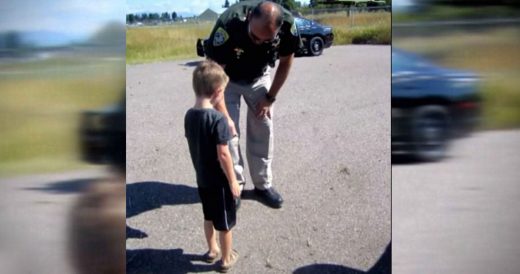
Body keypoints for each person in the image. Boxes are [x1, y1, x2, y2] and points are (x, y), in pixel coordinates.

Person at [204, 0, 301, 208]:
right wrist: (225, 117)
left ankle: (263, 186)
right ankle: (234, 186)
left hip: (259, 77)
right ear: (249, 18)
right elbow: (214, 75)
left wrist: (270, 97)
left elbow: (286, 61)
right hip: (226, 79)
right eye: (254, 36)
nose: (258, 42)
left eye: (266, 40)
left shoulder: (288, 25)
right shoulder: (229, 23)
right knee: (228, 134)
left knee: (263, 128)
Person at [184, 60, 242, 272]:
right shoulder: (217, 119)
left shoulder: (189, 115)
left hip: (202, 179)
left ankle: (211, 250)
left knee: (208, 216)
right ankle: (226, 260)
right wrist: (233, 180)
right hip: (219, 182)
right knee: (225, 224)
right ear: (218, 92)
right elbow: (224, 154)